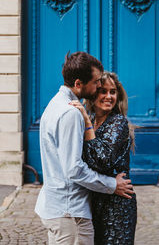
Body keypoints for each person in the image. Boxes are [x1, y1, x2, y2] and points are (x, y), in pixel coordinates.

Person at [35, 52, 134, 245]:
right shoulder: (71, 113)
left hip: (64, 209)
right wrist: (112, 185)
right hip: (70, 211)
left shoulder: (54, 105)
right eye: (97, 82)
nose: (99, 87)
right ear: (79, 83)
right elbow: (74, 169)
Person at [70, 71, 137, 245]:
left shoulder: (118, 122)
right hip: (94, 199)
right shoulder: (91, 119)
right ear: (93, 94)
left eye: (113, 92)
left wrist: (86, 122)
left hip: (116, 205)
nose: (108, 96)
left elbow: (102, 160)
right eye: (103, 91)